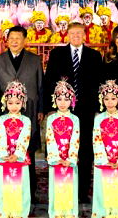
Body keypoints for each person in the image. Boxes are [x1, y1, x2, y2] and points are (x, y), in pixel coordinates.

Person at [44, 22, 104, 203]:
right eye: (73, 33)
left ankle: (82, 192)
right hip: (63, 110)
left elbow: (99, 83)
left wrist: (97, 109)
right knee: (62, 149)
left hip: (86, 111)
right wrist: (50, 107)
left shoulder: (94, 56)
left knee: (85, 150)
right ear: (67, 35)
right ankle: (63, 189)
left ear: (85, 35)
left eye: (79, 33)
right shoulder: (56, 54)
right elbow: (49, 82)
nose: (76, 36)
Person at [0, 26, 44, 200]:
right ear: (7, 41)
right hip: (7, 113)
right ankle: (9, 189)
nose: (14, 41)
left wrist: (41, 109)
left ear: (25, 40)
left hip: (30, 110)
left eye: (18, 38)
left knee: (27, 150)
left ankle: (30, 190)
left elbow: (41, 86)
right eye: (11, 38)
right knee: (9, 148)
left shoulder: (35, 60)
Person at [92, 80, 118, 218]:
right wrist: (104, 159)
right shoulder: (98, 119)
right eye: (106, 99)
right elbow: (96, 140)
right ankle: (102, 213)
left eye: (113, 99)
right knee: (103, 190)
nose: (109, 102)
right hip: (104, 159)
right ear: (102, 100)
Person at [0, 80, 33, 218]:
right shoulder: (1, 120)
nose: (14, 106)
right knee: (4, 187)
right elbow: (1, 137)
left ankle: (20, 213)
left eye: (17, 103)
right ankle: (5, 212)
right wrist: (5, 154)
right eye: (10, 103)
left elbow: (25, 137)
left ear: (23, 103)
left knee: (20, 186)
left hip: (19, 157)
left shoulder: (26, 120)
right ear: (5, 103)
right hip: (5, 157)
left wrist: (17, 154)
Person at [45, 79, 81, 218]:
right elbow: (50, 138)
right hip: (56, 159)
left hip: (69, 159)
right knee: (56, 187)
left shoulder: (75, 119)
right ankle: (56, 213)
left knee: (69, 186)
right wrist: (56, 157)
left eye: (66, 99)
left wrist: (71, 158)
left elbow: (75, 139)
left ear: (71, 100)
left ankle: (70, 213)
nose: (62, 102)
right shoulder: (51, 118)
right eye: (59, 99)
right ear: (55, 100)